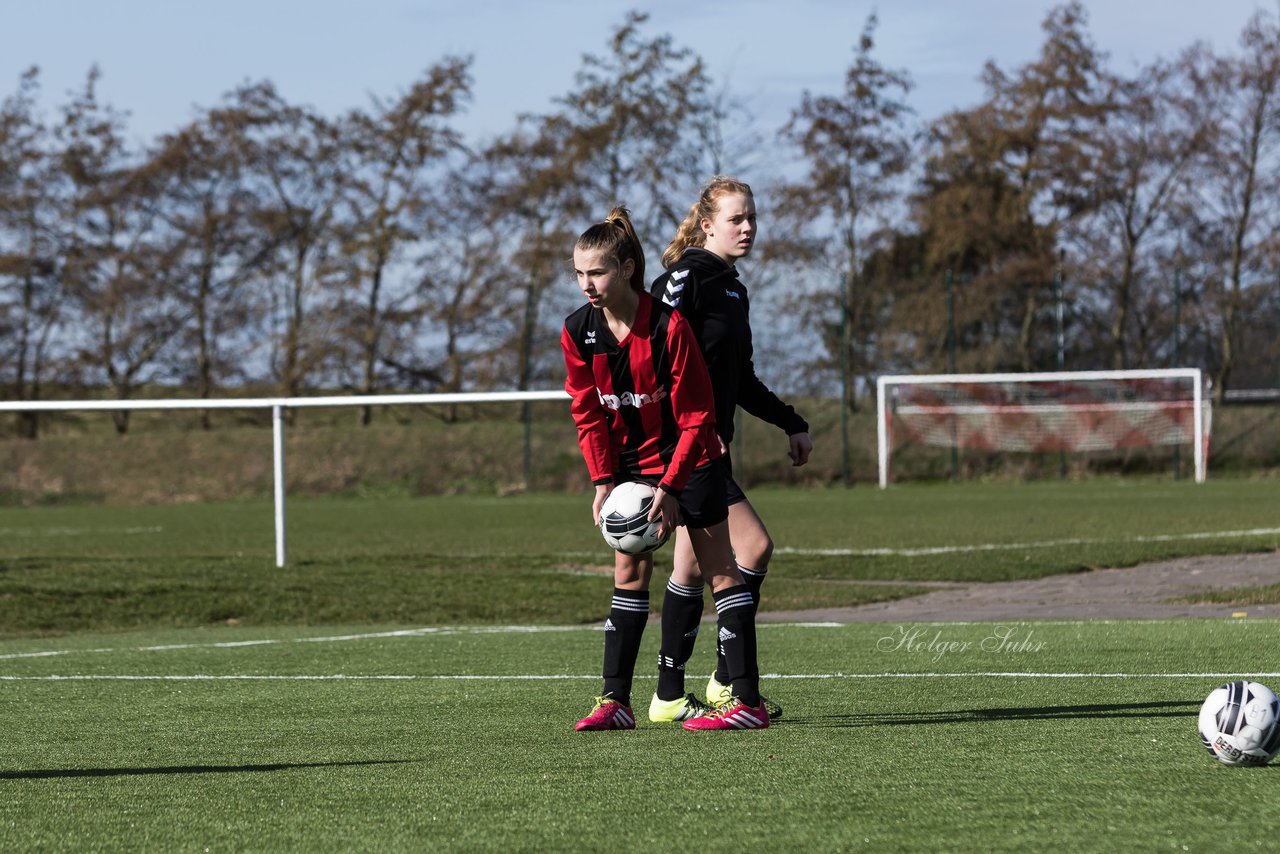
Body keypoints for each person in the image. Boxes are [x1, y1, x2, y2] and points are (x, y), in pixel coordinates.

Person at [562, 205, 769, 732]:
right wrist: (603, 481)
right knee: (628, 571)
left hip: (689, 454)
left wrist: (672, 486)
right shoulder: (577, 332)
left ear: (627, 269)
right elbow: (587, 412)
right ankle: (616, 702)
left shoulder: (668, 325)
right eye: (579, 273)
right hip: (630, 463)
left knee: (720, 568)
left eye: (598, 272)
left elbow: (698, 415)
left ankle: (746, 702)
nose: (587, 284)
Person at [648, 176, 813, 720]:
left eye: (752, 218)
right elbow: (652, 362)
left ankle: (670, 695)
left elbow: (740, 379)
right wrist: (675, 432)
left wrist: (789, 421)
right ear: (707, 225)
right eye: (736, 218)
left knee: (691, 569)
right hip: (686, 447)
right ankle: (728, 683)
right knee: (754, 547)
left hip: (714, 447)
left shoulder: (734, 288)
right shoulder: (682, 281)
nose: (747, 228)